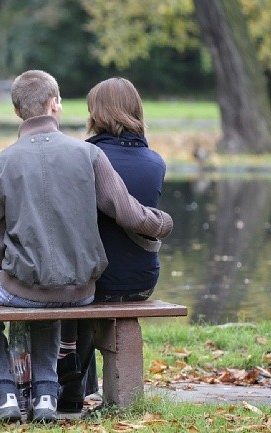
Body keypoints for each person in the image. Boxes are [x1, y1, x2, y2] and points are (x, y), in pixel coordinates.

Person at [0, 70, 173, 424]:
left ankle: (1, 395)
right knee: (49, 302)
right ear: (55, 103)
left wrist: (8, 265)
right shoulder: (87, 155)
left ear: (17, 111)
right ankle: (45, 396)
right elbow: (125, 210)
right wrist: (162, 223)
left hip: (26, 286)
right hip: (81, 290)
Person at [56, 77, 168, 416]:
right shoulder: (156, 161)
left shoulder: (86, 157)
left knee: (76, 282)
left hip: (97, 281)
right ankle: (78, 390)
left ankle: (69, 392)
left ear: (96, 112)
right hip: (142, 280)